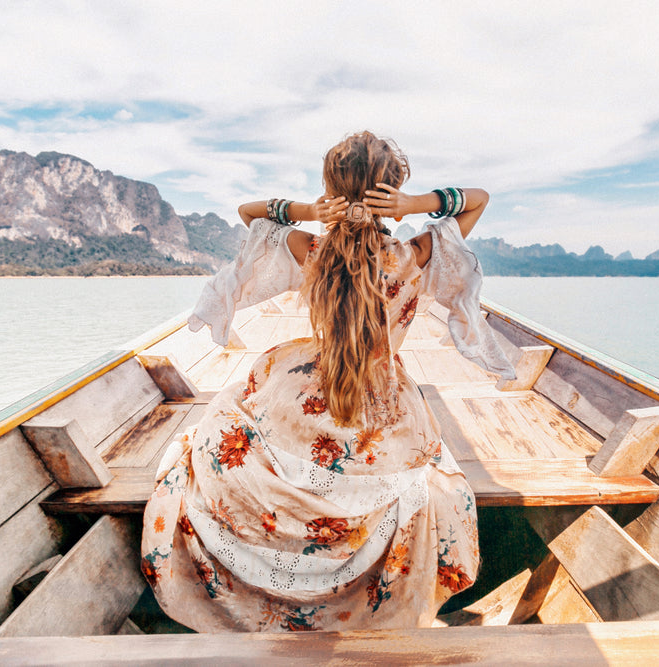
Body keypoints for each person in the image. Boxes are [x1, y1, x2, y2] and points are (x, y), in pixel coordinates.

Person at [140, 131, 516, 632]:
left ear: (330, 185)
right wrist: (414, 205)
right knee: (421, 473)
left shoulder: (307, 247)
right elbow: (479, 200)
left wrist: (311, 212)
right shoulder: (413, 256)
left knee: (230, 421)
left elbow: (248, 213)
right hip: (381, 393)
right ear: (394, 187)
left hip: (305, 388)